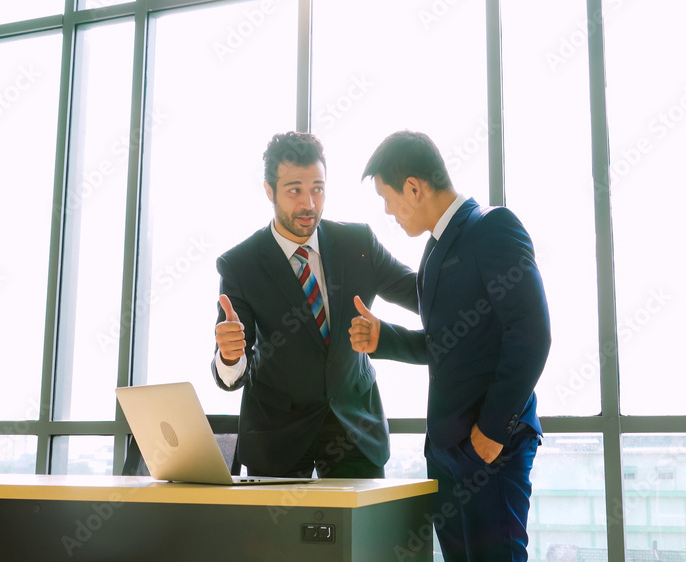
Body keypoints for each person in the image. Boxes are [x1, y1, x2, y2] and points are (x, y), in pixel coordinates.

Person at [349, 130, 551, 561]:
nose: (389, 212)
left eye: (388, 199)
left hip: (490, 447)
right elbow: (448, 345)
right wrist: (384, 337)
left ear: (414, 188)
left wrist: (493, 431)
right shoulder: (435, 249)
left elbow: (531, 332)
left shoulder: (492, 227)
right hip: (447, 451)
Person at [212, 131, 418, 478]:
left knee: (362, 533)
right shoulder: (240, 265)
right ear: (269, 190)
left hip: (354, 429)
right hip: (278, 436)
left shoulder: (358, 243)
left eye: (318, 189)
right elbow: (234, 372)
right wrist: (230, 356)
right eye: (294, 190)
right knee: (278, 535)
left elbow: (421, 294)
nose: (309, 203)